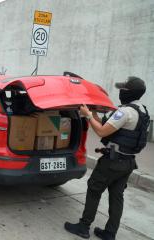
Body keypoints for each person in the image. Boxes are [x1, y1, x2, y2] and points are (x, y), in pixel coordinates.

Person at [64, 77, 150, 239]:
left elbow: (102, 132)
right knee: (117, 196)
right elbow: (108, 126)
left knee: (94, 189)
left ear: (128, 92)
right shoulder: (142, 110)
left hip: (112, 162)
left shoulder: (125, 112)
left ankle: (83, 226)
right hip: (128, 162)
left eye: (122, 90)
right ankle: (110, 233)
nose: (120, 92)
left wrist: (88, 116)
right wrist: (93, 112)